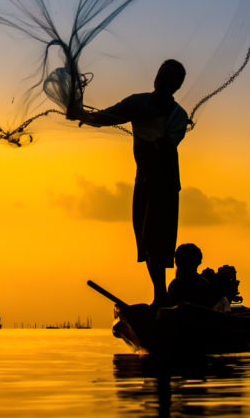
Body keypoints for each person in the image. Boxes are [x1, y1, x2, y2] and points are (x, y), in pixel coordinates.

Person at [68, 59, 190, 305]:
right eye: (161, 73)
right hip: (144, 181)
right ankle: (160, 295)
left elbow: (168, 146)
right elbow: (108, 116)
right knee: (146, 241)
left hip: (165, 184)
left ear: (176, 86)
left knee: (159, 241)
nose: (162, 80)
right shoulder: (138, 102)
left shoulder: (178, 116)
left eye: (169, 78)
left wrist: (160, 142)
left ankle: (160, 296)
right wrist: (84, 116)